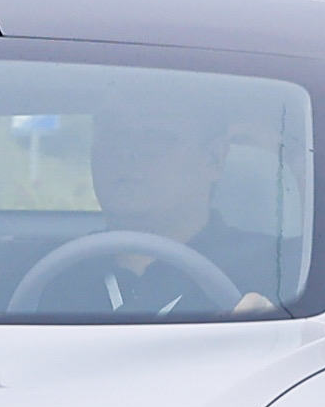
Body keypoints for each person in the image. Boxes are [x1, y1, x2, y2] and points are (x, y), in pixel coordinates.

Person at [74, 107, 281, 314]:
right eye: (112, 135)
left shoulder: (278, 268)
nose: (126, 152)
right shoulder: (68, 267)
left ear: (214, 158)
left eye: (154, 136)